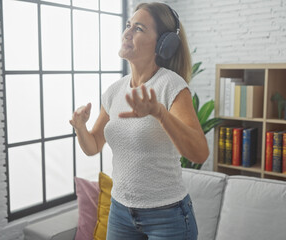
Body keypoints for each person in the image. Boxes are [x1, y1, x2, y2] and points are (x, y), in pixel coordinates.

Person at [69, 2, 209, 239]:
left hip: (168, 218)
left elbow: (199, 153)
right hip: (120, 213)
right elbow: (93, 146)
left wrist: (159, 113)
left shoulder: (171, 86)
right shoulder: (114, 91)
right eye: (128, 25)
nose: (127, 33)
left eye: (139, 28)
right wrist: (80, 127)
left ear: (164, 44)